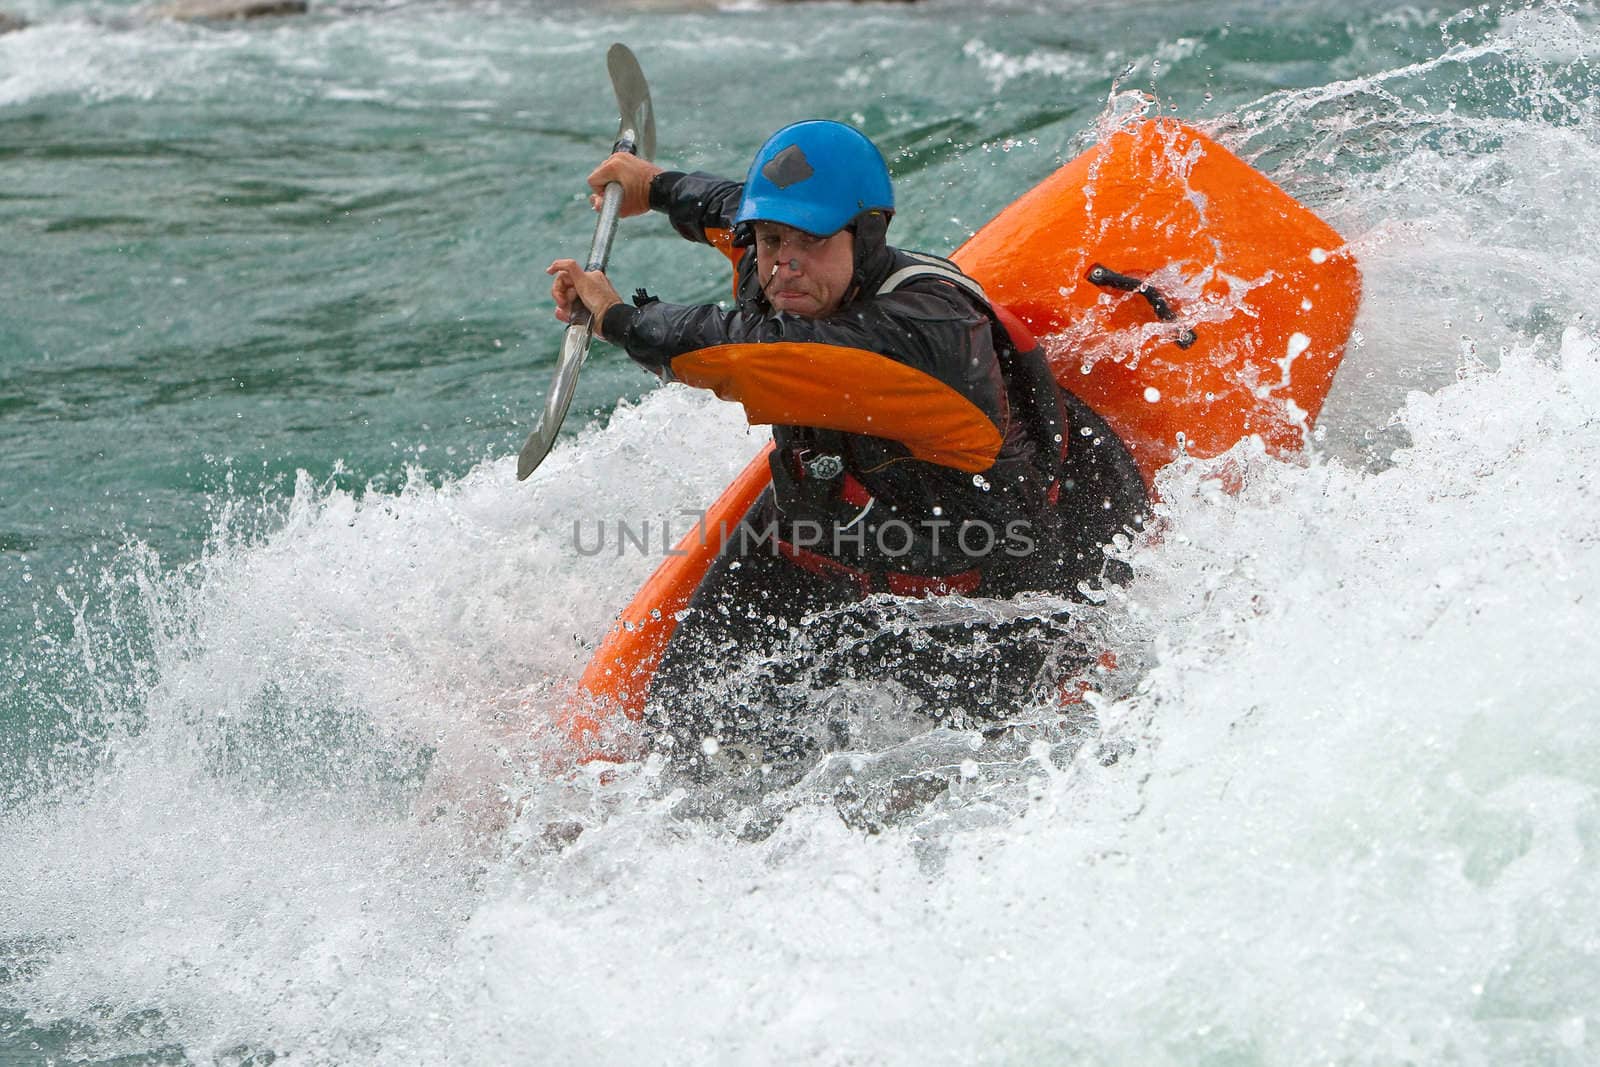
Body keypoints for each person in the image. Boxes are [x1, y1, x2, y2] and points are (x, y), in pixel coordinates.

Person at [548, 120, 1146, 786]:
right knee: (676, 733)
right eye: (772, 241)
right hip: (845, 536)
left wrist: (617, 319)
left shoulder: (920, 334)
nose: (784, 263)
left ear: (865, 239)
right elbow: (732, 212)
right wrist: (655, 187)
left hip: (989, 595)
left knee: (895, 786)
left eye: (809, 241)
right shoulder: (792, 274)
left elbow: (741, 353)